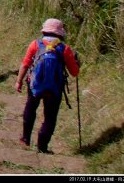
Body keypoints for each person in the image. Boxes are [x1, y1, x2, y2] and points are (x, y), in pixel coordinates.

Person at [16, 18, 80, 154]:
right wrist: (76, 63)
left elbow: (25, 64)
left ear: (44, 30)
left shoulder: (36, 44)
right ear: (60, 33)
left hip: (35, 85)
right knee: (50, 117)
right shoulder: (65, 49)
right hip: (55, 88)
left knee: (31, 108)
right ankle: (42, 146)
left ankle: (25, 138)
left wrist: (19, 81)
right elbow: (74, 73)